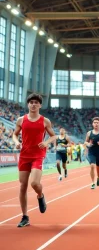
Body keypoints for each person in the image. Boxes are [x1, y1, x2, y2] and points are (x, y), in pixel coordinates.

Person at [12, 93, 57, 228]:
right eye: (31, 102)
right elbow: (14, 134)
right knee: (22, 186)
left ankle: (40, 195)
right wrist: (16, 142)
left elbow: (53, 136)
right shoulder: (21, 120)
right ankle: (25, 217)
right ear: (28, 104)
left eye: (36, 102)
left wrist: (46, 142)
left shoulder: (45, 121)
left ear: (40, 105)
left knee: (35, 183)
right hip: (24, 155)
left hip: (38, 155)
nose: (33, 104)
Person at [84, 117, 99, 189]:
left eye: (97, 122)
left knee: (98, 168)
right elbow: (85, 142)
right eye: (94, 122)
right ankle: (92, 182)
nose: (96, 124)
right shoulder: (89, 133)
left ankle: (98, 177)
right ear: (92, 124)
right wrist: (88, 144)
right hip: (91, 152)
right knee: (92, 166)